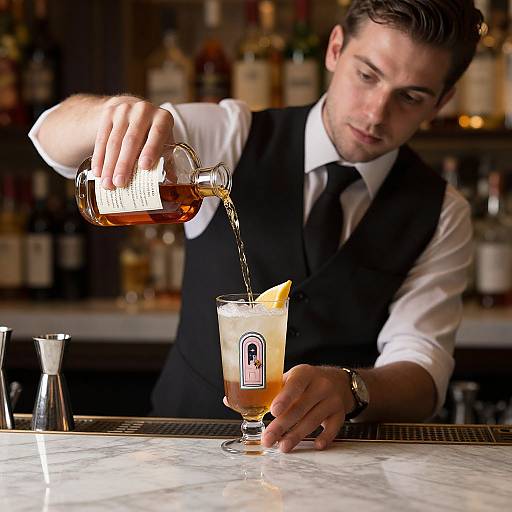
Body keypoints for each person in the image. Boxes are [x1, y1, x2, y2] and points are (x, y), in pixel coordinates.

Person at [29, 0, 482, 452]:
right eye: (367, 75)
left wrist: (353, 388)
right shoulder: (230, 135)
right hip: (178, 452)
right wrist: (116, 114)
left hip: (336, 470)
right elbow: (50, 137)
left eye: (411, 97)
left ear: (441, 102)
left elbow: (423, 372)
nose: (376, 113)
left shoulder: (441, 211)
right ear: (335, 49)